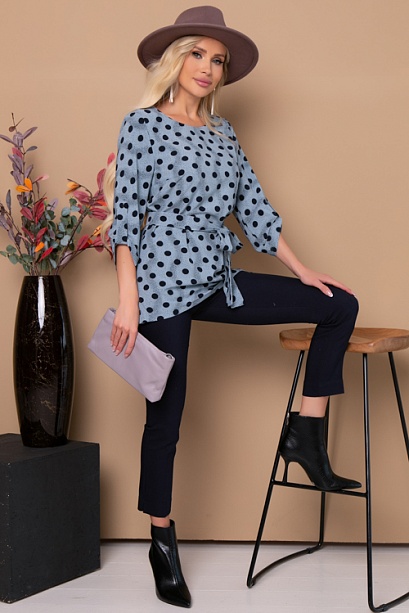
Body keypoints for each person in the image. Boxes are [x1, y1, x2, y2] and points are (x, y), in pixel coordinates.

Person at [102, 6, 360, 608]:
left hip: (219, 278)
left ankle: (306, 438)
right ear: (175, 60)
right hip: (160, 286)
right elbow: (127, 218)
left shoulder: (224, 134)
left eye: (217, 61)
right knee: (166, 419)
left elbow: (254, 208)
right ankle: (161, 540)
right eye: (197, 54)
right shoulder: (141, 125)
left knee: (339, 305)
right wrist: (128, 301)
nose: (208, 68)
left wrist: (302, 270)